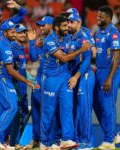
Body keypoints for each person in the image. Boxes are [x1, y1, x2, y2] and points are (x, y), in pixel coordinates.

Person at [0, 20, 39, 149]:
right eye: (12, 32)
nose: (14, 34)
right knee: (12, 108)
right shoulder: (6, 46)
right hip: (2, 78)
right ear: (4, 32)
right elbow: (10, 70)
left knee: (6, 110)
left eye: (16, 31)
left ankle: (1, 142)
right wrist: (27, 81)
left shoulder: (1, 44)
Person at [40, 15, 91, 149]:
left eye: (68, 25)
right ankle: (44, 142)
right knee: (49, 111)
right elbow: (63, 58)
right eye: (64, 26)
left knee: (67, 109)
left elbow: (80, 40)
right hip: (51, 78)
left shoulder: (67, 38)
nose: (67, 27)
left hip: (65, 77)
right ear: (56, 28)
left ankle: (66, 139)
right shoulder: (49, 41)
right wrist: (81, 50)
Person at [93, 6, 120, 149]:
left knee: (107, 105)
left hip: (111, 71)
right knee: (96, 103)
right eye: (97, 16)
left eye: (101, 17)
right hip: (99, 70)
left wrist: (110, 78)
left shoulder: (113, 33)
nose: (98, 19)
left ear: (109, 18)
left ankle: (109, 140)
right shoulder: (98, 33)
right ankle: (111, 134)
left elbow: (116, 56)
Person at [25, 16, 53, 149]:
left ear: (51, 25)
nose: (40, 28)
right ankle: (35, 139)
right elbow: (34, 57)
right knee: (36, 108)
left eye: (43, 25)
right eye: (40, 25)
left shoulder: (56, 40)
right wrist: (31, 42)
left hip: (51, 77)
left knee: (47, 111)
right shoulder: (43, 40)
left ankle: (47, 140)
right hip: (39, 77)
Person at [67, 13, 95, 150]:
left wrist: (76, 76)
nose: (69, 25)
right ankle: (77, 139)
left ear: (78, 22)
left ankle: (87, 141)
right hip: (74, 77)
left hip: (84, 76)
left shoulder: (84, 37)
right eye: (68, 22)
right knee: (75, 110)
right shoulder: (69, 37)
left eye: (72, 22)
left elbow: (88, 60)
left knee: (85, 110)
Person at [9, 24, 29, 149]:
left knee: (24, 112)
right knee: (16, 114)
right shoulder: (12, 48)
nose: (23, 34)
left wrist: (29, 79)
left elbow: (22, 69)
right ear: (14, 34)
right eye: (20, 32)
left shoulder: (21, 48)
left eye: (24, 32)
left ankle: (15, 141)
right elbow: (11, 70)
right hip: (15, 85)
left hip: (22, 85)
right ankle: (13, 143)